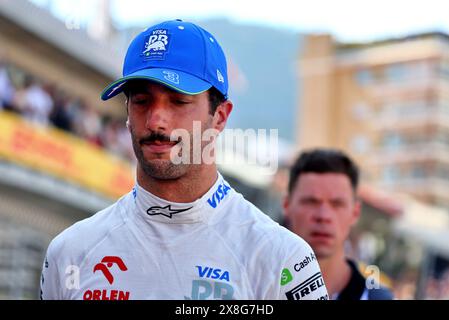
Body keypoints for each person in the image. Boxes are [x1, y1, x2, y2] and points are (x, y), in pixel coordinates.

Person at [39, 19, 328, 300]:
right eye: (141, 101)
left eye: (178, 101)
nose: (156, 121)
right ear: (127, 113)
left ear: (220, 117)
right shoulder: (69, 252)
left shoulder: (282, 259)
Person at [283, 148, 394, 300]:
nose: (323, 216)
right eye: (311, 201)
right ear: (287, 205)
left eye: (337, 204)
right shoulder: (251, 287)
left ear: (355, 212)